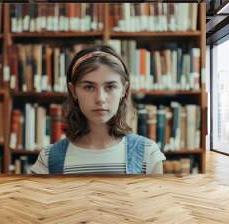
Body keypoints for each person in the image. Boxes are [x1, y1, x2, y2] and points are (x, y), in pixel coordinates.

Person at [30, 45, 166, 175]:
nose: (100, 98)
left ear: (124, 90)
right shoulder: (48, 159)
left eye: (110, 87)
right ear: (73, 91)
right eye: (89, 87)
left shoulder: (148, 155)